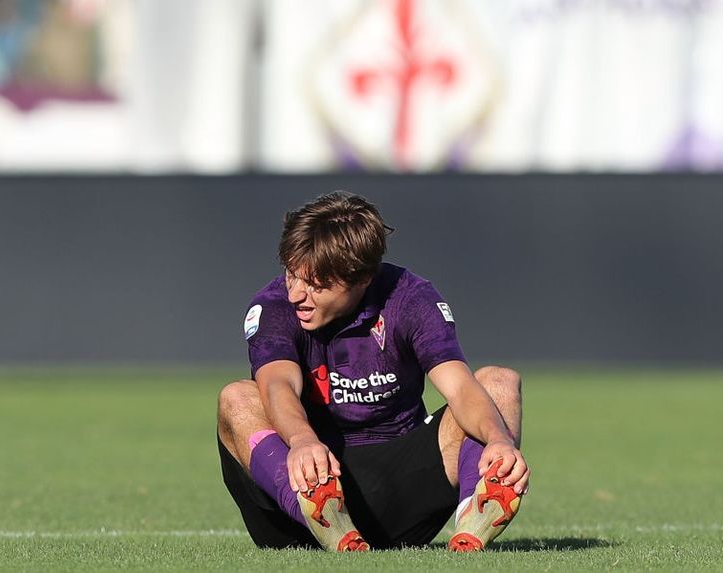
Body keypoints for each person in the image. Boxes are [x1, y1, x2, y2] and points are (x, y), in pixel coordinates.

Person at [217, 191, 529, 551]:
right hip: (302, 482)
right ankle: (318, 513)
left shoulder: (411, 298)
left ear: (362, 278)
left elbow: (459, 388)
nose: (296, 294)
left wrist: (499, 439)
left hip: (399, 494)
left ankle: (476, 517)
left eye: (315, 284)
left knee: (500, 383)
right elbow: (278, 387)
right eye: (291, 275)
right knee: (237, 398)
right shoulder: (272, 307)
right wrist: (303, 442)